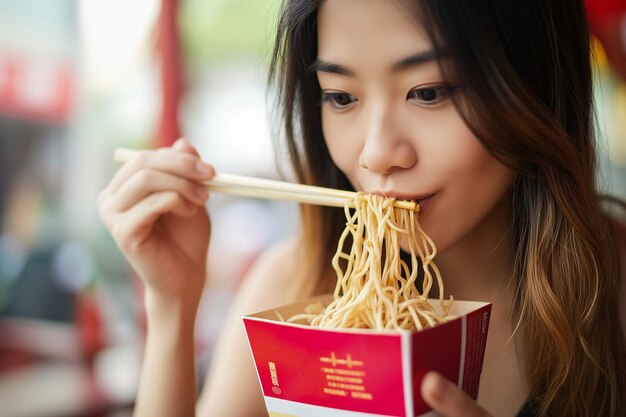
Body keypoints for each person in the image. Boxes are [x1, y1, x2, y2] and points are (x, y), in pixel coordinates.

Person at [97, 0, 626, 416]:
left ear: (531, 80)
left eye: (429, 91)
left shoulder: (615, 285)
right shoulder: (296, 287)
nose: (376, 154)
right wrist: (172, 307)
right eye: (342, 97)